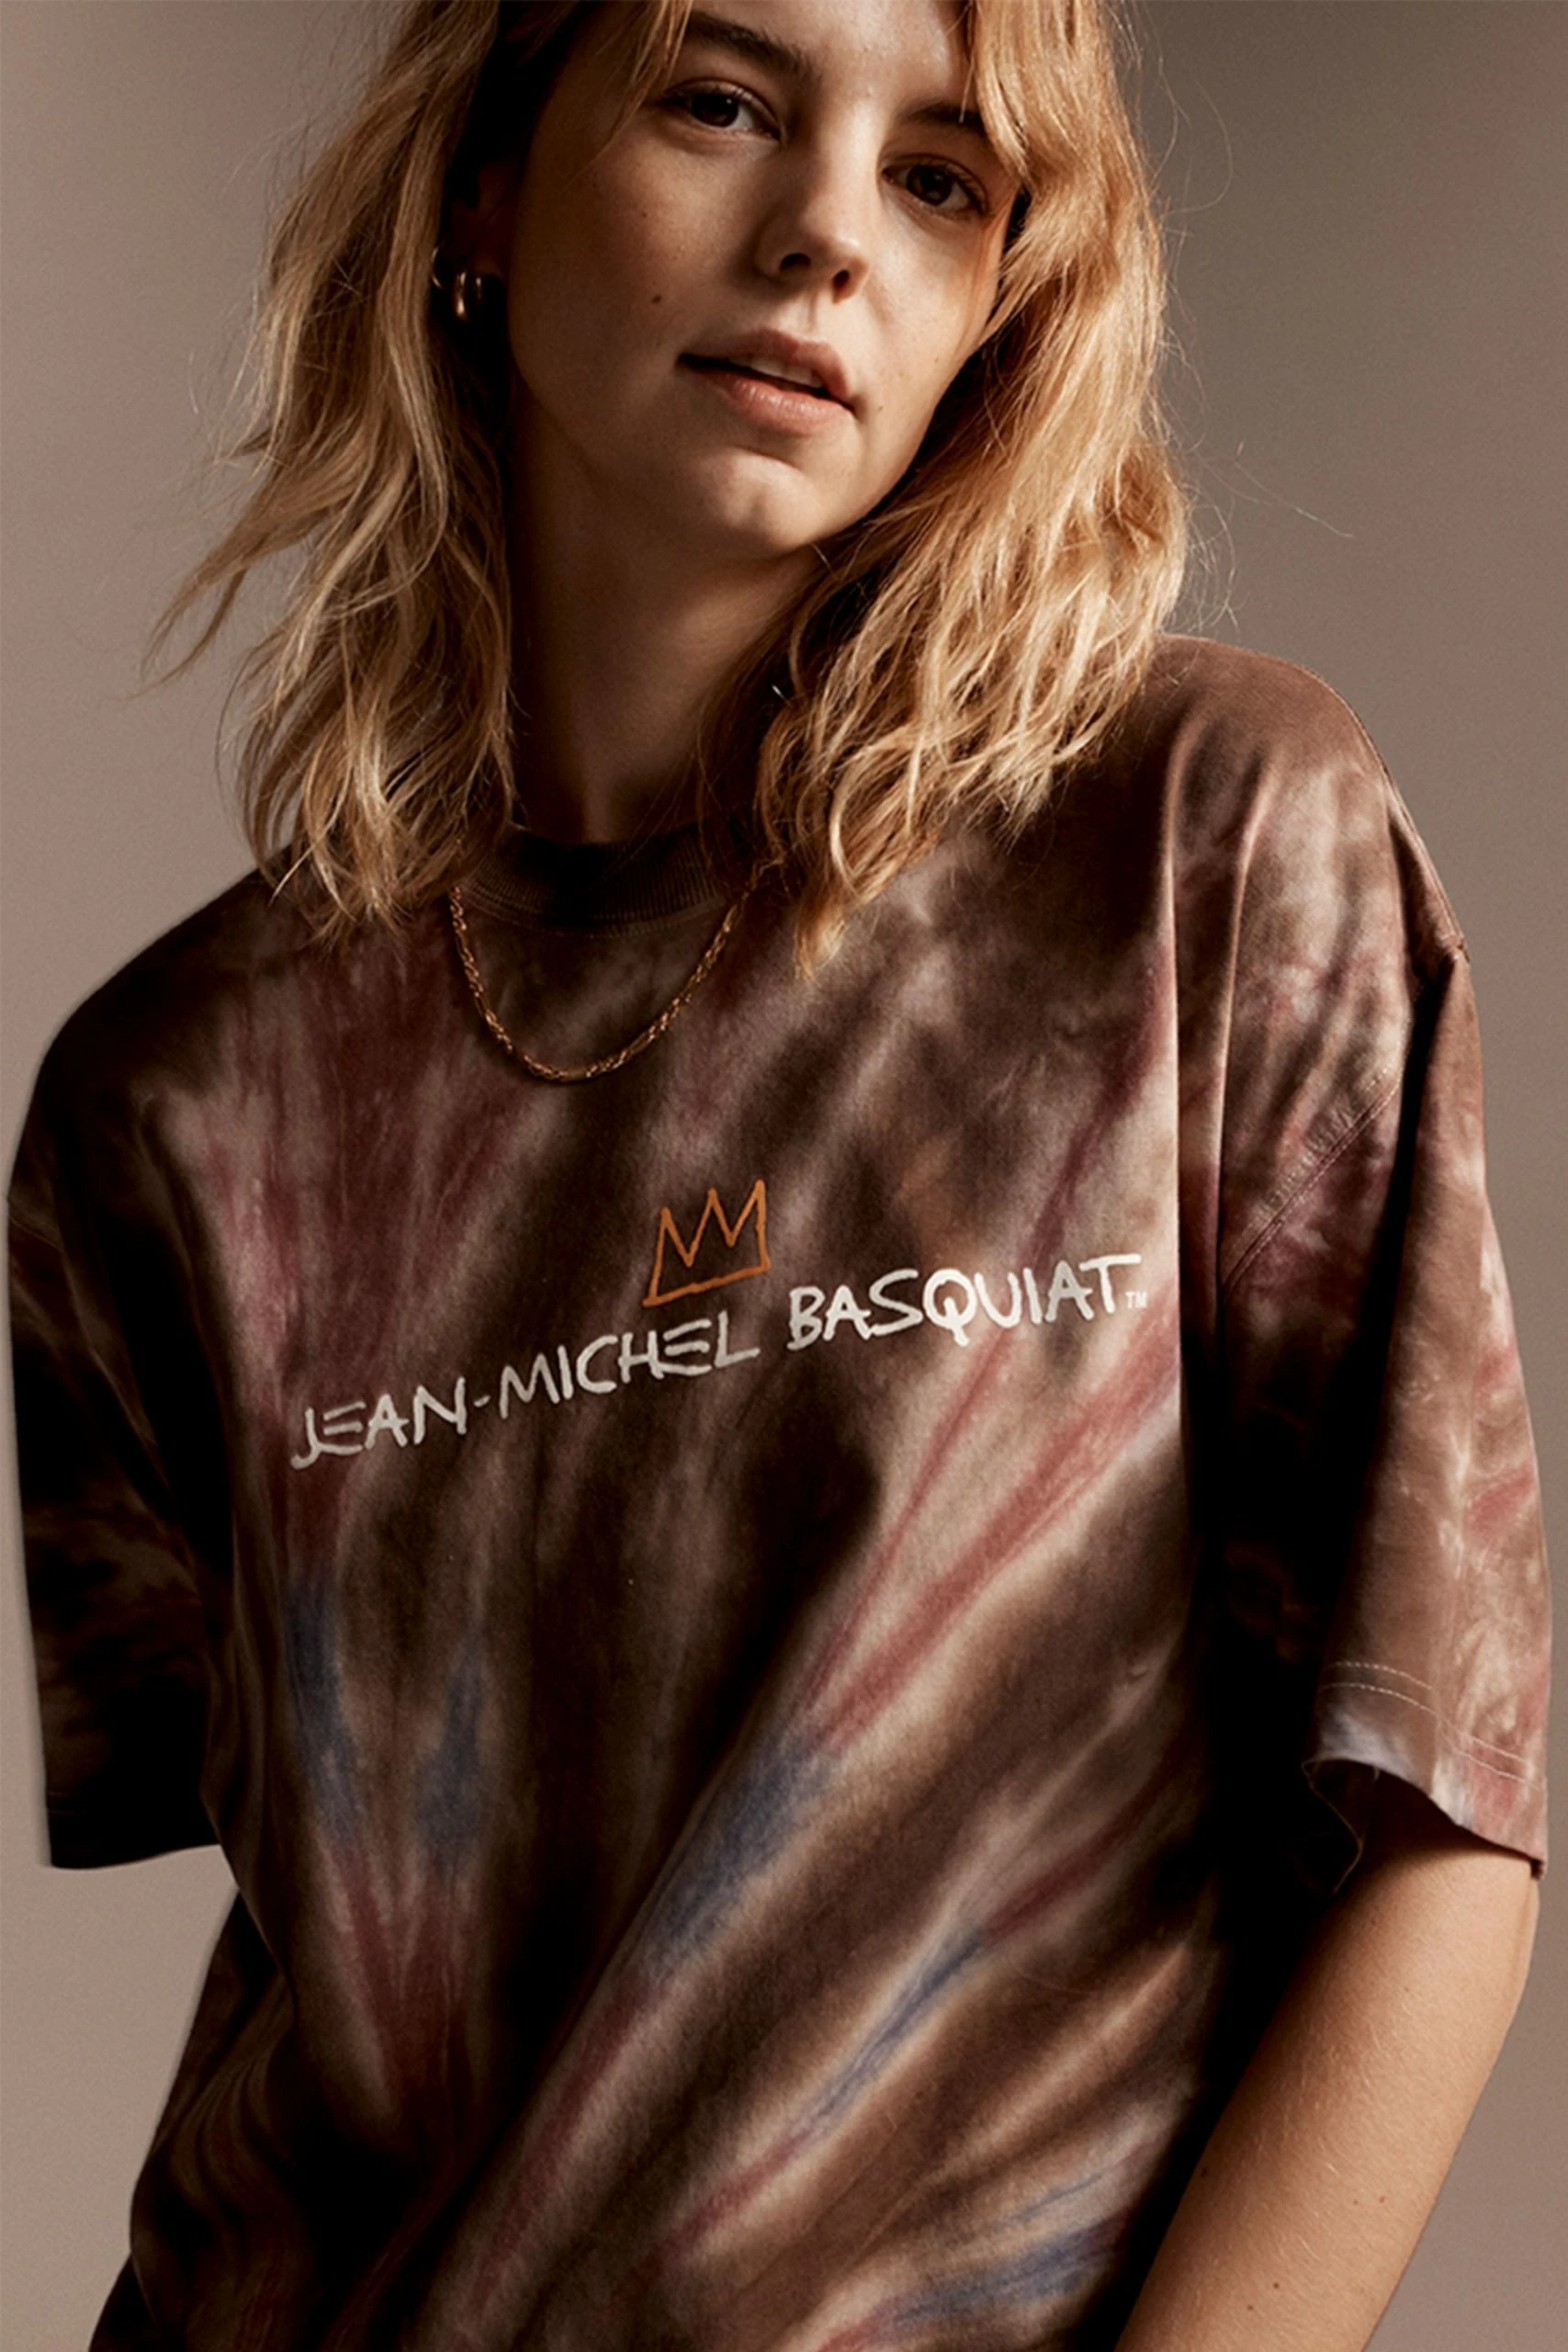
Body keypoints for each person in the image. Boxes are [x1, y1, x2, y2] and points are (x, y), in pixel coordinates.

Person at [7, 1, 1549, 2346]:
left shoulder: (1201, 846)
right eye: (719, 103)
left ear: (1002, 301)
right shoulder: (173, 1101)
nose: (827, 235)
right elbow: (342, 1978)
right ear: (486, 186)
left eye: (940, 176)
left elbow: (1439, 1819)